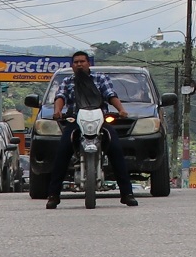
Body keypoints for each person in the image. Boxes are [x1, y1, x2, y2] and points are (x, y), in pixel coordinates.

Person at [45, 52, 137, 208]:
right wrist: (57, 111)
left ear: (88, 63)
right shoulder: (67, 81)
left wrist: (121, 109)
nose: (79, 64)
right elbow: (60, 97)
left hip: (100, 119)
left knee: (115, 149)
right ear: (72, 65)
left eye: (82, 61)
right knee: (62, 151)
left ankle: (127, 193)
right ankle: (53, 195)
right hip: (76, 119)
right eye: (76, 62)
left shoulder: (100, 78)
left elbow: (110, 94)